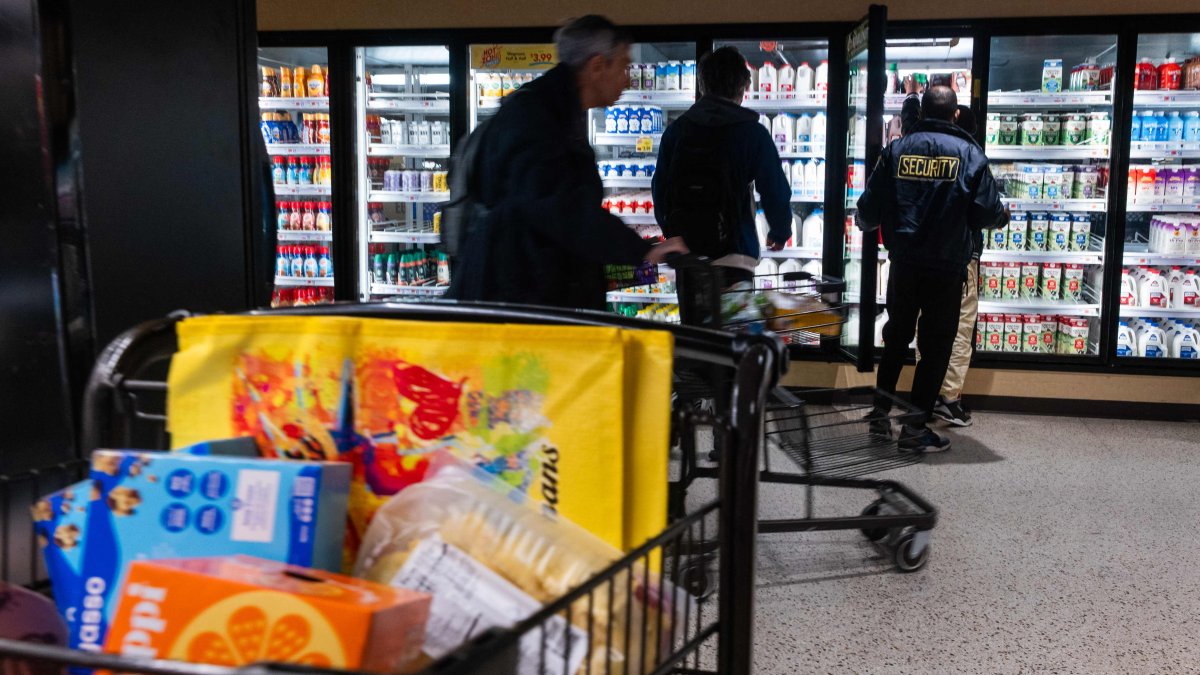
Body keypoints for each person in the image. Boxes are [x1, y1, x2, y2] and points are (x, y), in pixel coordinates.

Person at [447, 15, 687, 310]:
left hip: (533, 294)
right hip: (517, 304)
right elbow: (557, 206)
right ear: (598, 66)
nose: (628, 78)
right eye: (624, 66)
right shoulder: (533, 116)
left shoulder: (556, 110)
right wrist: (642, 251)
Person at [857, 86, 1007, 452]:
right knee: (936, 347)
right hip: (946, 267)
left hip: (905, 263)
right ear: (955, 115)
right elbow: (988, 213)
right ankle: (913, 429)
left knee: (895, 339)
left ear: (922, 113)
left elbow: (868, 209)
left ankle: (879, 414)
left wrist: (873, 221)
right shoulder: (970, 154)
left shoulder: (896, 149)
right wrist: (1001, 216)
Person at [652, 46, 791, 285]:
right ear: (743, 87)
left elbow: (660, 188)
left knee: (692, 323)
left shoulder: (677, 131)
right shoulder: (753, 133)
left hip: (687, 256)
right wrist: (779, 231)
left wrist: (673, 233)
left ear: (702, 85)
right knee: (735, 322)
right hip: (735, 254)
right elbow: (774, 188)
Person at [932, 105, 982, 427]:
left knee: (928, 326)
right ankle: (949, 397)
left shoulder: (929, 151)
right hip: (961, 258)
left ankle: (931, 391)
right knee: (960, 327)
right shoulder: (972, 157)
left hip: (926, 258)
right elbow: (987, 208)